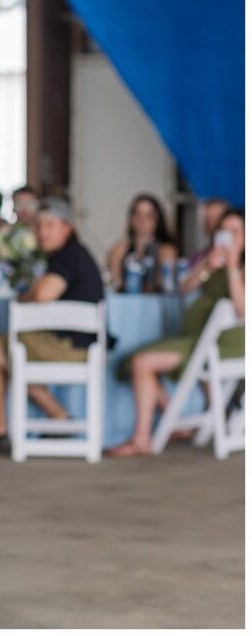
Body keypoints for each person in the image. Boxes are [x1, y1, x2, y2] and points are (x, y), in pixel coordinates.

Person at [109, 209, 245, 457]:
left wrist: (233, 266)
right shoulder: (213, 261)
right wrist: (208, 266)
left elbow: (243, 310)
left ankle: (143, 438)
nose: (229, 237)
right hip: (197, 341)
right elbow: (182, 288)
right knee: (136, 359)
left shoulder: (241, 268)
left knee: (142, 362)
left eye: (236, 232)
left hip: (222, 344)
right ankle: (175, 418)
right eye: (224, 231)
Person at [0, 198, 105, 451]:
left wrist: (24, 297)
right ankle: (60, 418)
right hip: (79, 346)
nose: (42, 232)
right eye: (39, 226)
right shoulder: (73, 253)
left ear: (66, 228)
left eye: (50, 226)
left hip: (70, 346)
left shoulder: (68, 256)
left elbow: (44, 294)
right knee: (13, 356)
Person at [106, 193, 178, 292]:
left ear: (157, 220)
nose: (142, 220)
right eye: (138, 214)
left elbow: (165, 284)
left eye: (149, 216)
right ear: (131, 218)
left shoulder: (166, 250)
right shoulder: (118, 250)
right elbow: (113, 285)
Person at [183, 196, 229, 274]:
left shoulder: (242, 256)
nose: (212, 224)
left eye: (217, 218)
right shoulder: (198, 257)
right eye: (207, 219)